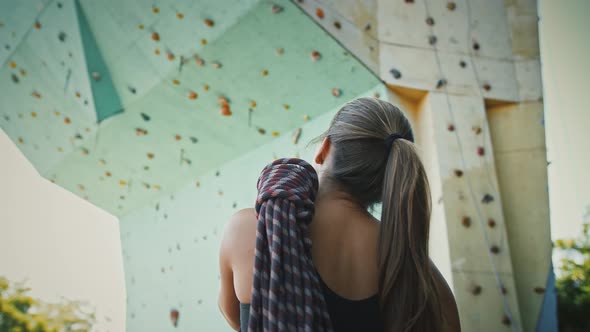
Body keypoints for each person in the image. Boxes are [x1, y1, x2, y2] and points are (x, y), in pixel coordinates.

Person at [218, 97, 461, 331]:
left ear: (324, 148)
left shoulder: (252, 228)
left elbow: (234, 316)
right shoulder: (414, 268)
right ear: (387, 182)